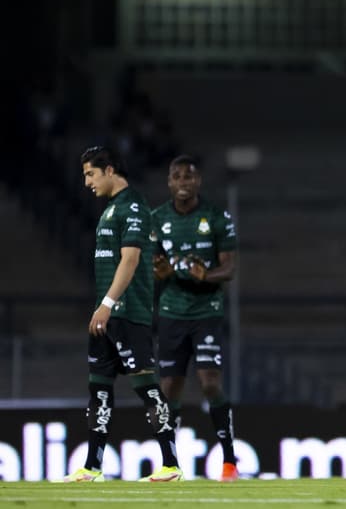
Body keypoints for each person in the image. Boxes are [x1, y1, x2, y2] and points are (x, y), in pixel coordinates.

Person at [64, 146, 183, 482]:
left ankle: (171, 465)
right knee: (98, 389)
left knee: (146, 386)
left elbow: (129, 260)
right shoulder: (112, 209)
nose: (86, 181)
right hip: (109, 313)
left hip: (126, 312)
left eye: (91, 173)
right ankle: (92, 467)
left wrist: (108, 303)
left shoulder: (132, 206)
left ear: (110, 170)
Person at [152, 155, 240, 482]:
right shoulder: (157, 219)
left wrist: (206, 276)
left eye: (189, 177)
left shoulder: (216, 217)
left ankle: (229, 462)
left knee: (209, 382)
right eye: (177, 177)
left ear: (198, 181)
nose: (184, 182)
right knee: (169, 389)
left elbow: (229, 268)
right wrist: (158, 272)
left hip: (206, 312)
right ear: (170, 182)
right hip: (172, 312)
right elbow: (153, 267)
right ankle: (169, 464)